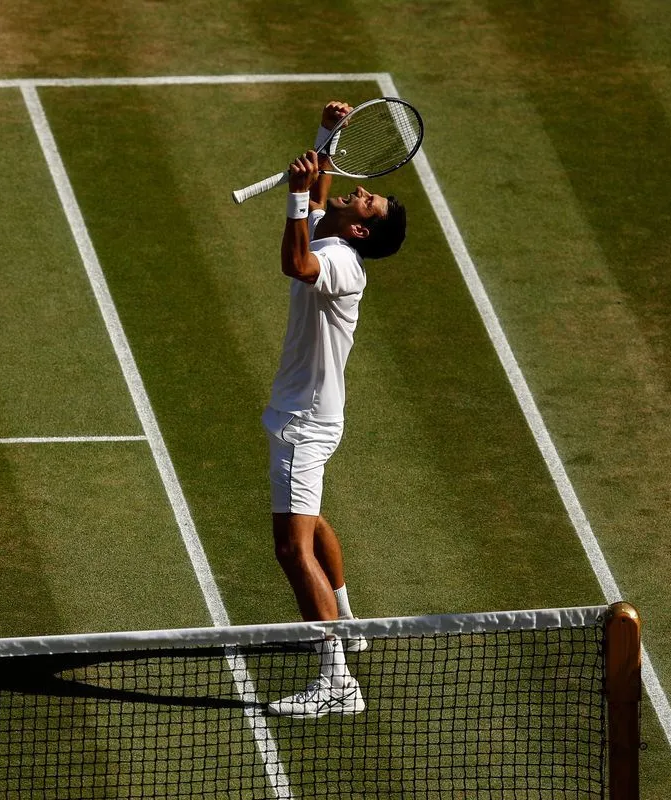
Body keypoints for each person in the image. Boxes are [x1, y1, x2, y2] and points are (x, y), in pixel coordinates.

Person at [262, 101, 407, 718]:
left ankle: (337, 683)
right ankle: (345, 621)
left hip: (304, 423)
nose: (360, 193)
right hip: (308, 415)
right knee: (312, 523)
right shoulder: (336, 237)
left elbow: (296, 262)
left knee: (292, 549)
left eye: (368, 203)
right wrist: (327, 133)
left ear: (360, 232)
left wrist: (296, 197)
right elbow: (320, 194)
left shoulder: (342, 262)